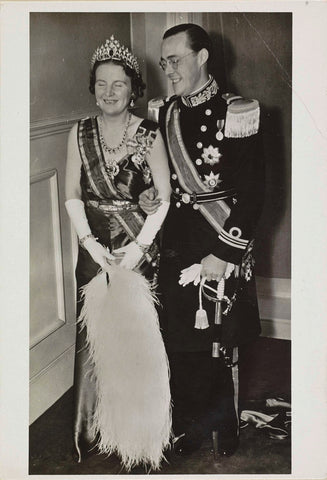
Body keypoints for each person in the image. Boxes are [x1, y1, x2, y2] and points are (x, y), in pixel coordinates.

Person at [141, 23, 265, 457]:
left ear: (203, 57)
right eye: (164, 62)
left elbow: (253, 192)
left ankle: (221, 424)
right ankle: (183, 425)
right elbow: (155, 178)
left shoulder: (238, 111)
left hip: (218, 241)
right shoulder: (162, 113)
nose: (168, 70)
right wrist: (148, 193)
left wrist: (224, 252)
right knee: (174, 338)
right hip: (174, 242)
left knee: (216, 341)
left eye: (175, 60)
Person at [65, 36, 172, 470]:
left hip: (136, 245)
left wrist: (139, 248)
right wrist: (89, 243)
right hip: (93, 246)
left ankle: (139, 436)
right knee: (92, 340)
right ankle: (90, 431)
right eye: (102, 84)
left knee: (137, 341)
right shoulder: (79, 132)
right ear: (93, 87)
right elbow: (72, 193)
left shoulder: (148, 133)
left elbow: (163, 197)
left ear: (134, 89)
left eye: (119, 85)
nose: (110, 93)